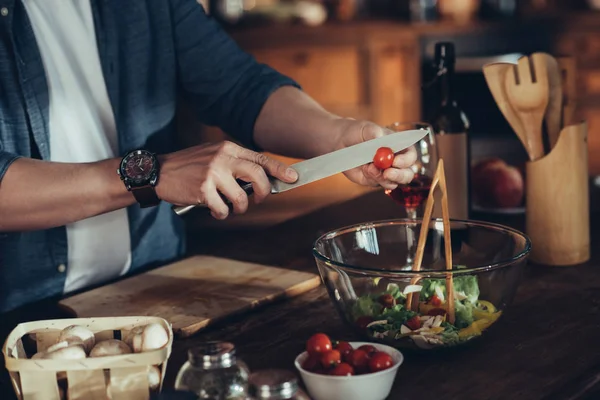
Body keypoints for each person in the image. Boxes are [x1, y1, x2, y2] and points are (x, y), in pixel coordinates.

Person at [0, 0, 416, 314]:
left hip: (155, 289)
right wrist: (150, 175)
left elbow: (237, 86)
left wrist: (336, 135)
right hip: (24, 310)